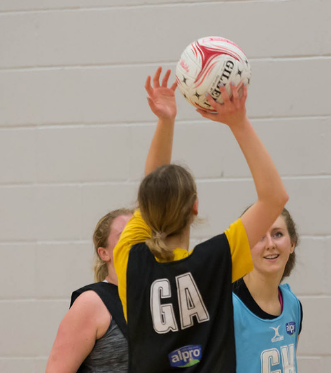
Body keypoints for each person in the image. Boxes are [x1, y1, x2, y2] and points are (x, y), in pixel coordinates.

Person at [113, 67, 288, 372]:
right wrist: (238, 123)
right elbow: (275, 198)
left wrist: (165, 121)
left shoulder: (128, 258)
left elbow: (153, 186)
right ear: (195, 207)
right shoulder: (217, 259)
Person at [46, 208, 133, 373]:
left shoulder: (156, 298)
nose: (134, 240)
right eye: (125, 236)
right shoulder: (91, 303)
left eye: (139, 234)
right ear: (104, 253)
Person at [232, 208, 303, 373]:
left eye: (277, 234)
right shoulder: (228, 307)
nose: (270, 244)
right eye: (259, 236)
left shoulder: (293, 305)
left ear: (292, 244)